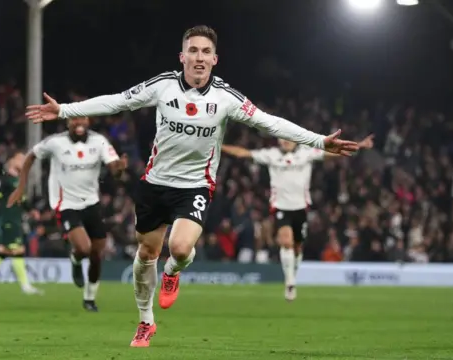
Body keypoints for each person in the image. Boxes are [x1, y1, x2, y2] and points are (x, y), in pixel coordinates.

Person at [25, 25, 360, 347]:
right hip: (155, 184)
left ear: (215, 59)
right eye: (193, 51)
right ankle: (145, 321)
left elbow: (269, 123)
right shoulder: (163, 86)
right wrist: (65, 110)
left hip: (195, 186)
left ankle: (173, 271)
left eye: (206, 52)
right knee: (145, 254)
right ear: (181, 56)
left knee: (181, 248)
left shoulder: (226, 98)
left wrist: (318, 141)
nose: (199, 57)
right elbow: (118, 101)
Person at [222, 135, 374, 300]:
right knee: (286, 241)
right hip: (280, 207)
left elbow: (332, 152)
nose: (285, 142)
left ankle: (292, 275)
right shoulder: (271, 154)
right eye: (282, 139)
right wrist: (220, 145)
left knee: (297, 247)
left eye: (288, 139)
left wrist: (359, 145)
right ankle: (290, 282)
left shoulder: (307, 153)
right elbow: (242, 153)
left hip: (300, 207)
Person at [8, 117, 127, 312]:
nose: (79, 123)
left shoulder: (100, 141)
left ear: (88, 121)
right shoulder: (55, 143)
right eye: (74, 119)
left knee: (97, 254)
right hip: (66, 204)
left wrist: (119, 169)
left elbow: (114, 168)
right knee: (84, 247)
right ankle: (76, 259)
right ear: (67, 123)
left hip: (91, 203)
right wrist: (22, 187)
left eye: (82, 119)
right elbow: (30, 156)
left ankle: (89, 298)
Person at [0, 152, 43, 295]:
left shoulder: (17, 180)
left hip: (15, 219)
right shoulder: (4, 180)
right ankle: (25, 286)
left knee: (3, 252)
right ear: (12, 162)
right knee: (17, 250)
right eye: (21, 159)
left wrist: (31, 210)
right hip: (8, 220)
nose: (24, 162)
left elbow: (21, 200)